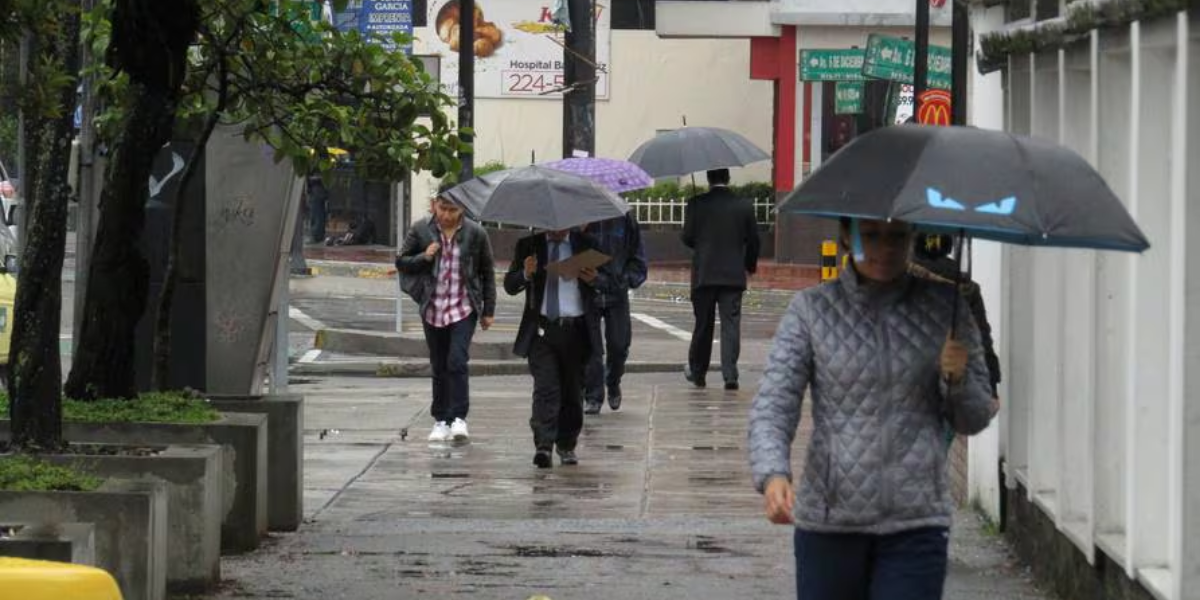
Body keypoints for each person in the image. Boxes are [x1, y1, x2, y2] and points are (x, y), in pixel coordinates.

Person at [748, 217, 995, 600]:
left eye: (897, 236)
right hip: (830, 522)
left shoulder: (947, 309)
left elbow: (974, 418)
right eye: (872, 236)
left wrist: (958, 378)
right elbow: (775, 401)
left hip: (916, 522)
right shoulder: (812, 310)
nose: (886, 248)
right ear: (848, 237)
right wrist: (772, 473)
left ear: (913, 237)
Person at [396, 185, 497, 443]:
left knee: (457, 360)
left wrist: (488, 310)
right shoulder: (421, 229)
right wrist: (424, 256)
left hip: (463, 307)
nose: (448, 216)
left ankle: (459, 418)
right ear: (434, 205)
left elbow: (487, 271)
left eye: (453, 210)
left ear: (463, 209)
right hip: (433, 306)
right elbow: (401, 261)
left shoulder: (476, 233)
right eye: (443, 209)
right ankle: (440, 420)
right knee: (439, 365)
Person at [504, 228, 602, 468]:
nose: (557, 229)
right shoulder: (529, 245)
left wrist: (595, 279)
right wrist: (526, 274)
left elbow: (613, 284)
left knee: (572, 391)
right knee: (546, 388)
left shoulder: (586, 245)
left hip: (576, 329)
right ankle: (544, 446)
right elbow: (510, 284)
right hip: (542, 329)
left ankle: (566, 444)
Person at [681, 168, 760, 391]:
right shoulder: (743, 205)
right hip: (733, 275)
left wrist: (702, 241)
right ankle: (730, 374)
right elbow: (753, 240)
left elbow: (687, 237)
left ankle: (698, 373)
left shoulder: (696, 204)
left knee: (703, 324)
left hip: (704, 273)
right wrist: (749, 265)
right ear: (728, 178)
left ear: (708, 179)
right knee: (731, 325)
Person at [581, 212, 648, 414]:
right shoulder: (580, 217)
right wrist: (580, 232)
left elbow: (638, 260)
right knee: (591, 348)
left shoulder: (625, 218)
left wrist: (624, 280)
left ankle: (613, 380)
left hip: (616, 293)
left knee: (619, 345)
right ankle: (593, 395)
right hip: (587, 292)